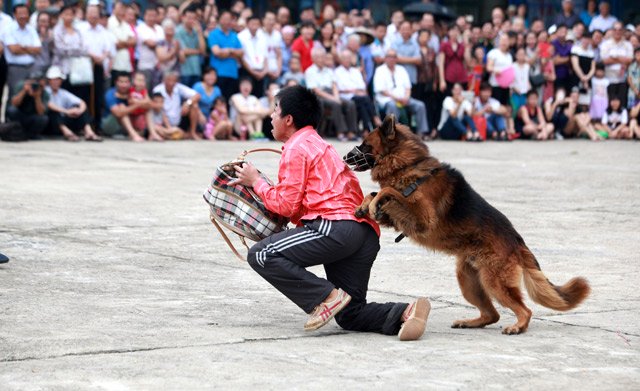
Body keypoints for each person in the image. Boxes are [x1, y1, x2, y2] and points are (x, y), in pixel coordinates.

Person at [230, 85, 430, 341]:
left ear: (288, 119)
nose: (271, 116)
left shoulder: (295, 147)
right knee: (350, 314)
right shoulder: (320, 145)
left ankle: (326, 298)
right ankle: (406, 312)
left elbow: (286, 205)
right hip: (364, 233)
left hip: (334, 228)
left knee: (261, 253)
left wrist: (256, 181)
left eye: (275, 110)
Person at [305, 46, 358, 141]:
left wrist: (336, 96)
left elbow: (334, 85)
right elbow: (316, 90)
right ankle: (340, 132)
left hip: (331, 93)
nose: (321, 59)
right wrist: (333, 98)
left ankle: (351, 132)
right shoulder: (310, 71)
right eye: (318, 57)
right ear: (313, 59)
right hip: (318, 96)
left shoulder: (329, 71)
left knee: (350, 104)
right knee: (335, 104)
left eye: (323, 57)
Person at [373, 49, 428, 137]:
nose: (391, 59)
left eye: (394, 57)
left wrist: (406, 97)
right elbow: (382, 90)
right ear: (385, 58)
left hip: (404, 98)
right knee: (393, 105)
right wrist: (397, 98)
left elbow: (408, 87)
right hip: (387, 99)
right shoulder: (380, 70)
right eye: (389, 56)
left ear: (396, 58)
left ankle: (421, 133)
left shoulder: (401, 69)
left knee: (420, 105)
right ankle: (394, 134)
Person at [45, 65, 102, 142]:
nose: (55, 82)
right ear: (49, 80)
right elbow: (49, 105)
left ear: (61, 81)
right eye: (53, 79)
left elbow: (82, 102)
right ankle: (68, 134)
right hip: (52, 123)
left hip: (65, 119)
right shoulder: (45, 91)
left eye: (57, 79)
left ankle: (89, 132)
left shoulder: (63, 92)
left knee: (79, 107)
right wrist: (66, 111)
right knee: (54, 113)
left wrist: (79, 111)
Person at [336, 49, 382, 137]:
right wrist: (355, 91)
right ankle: (375, 118)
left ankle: (366, 130)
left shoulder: (355, 71)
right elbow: (340, 89)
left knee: (362, 105)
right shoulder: (337, 72)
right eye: (345, 58)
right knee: (365, 99)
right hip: (346, 97)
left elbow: (362, 87)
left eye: (349, 58)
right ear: (341, 59)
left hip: (359, 97)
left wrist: (356, 91)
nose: (347, 60)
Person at [102, 73, 159, 142]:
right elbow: (118, 113)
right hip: (110, 125)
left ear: (130, 83)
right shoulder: (110, 93)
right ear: (116, 83)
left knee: (147, 110)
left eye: (126, 82)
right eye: (121, 82)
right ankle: (134, 135)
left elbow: (150, 104)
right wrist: (138, 103)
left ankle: (152, 133)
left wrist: (137, 102)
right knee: (122, 109)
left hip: (126, 126)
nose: (124, 85)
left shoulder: (133, 91)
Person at [3, 2, 42, 97]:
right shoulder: (8, 29)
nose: (23, 16)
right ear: (14, 15)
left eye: (25, 13)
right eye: (20, 13)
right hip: (16, 69)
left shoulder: (31, 29)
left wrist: (22, 47)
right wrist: (30, 49)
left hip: (32, 67)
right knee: (15, 95)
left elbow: (38, 50)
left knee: (33, 95)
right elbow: (14, 50)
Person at [152, 71, 202, 139]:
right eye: (169, 80)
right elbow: (157, 109)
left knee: (194, 106)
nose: (171, 83)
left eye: (174, 81)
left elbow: (197, 95)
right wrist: (168, 127)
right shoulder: (157, 90)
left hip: (178, 120)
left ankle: (192, 133)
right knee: (159, 127)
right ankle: (180, 134)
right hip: (163, 122)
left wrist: (187, 103)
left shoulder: (178, 87)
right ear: (164, 80)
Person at [208, 9, 243, 100]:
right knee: (218, 100)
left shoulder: (234, 35)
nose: (227, 21)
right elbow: (216, 52)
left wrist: (228, 50)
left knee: (230, 100)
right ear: (220, 20)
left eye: (229, 19)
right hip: (218, 73)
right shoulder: (214, 34)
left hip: (232, 73)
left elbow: (241, 52)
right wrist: (233, 53)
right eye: (225, 19)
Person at [6, 70, 49, 139]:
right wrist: (24, 91)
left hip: (32, 117)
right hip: (20, 115)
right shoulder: (22, 86)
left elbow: (41, 112)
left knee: (43, 118)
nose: (36, 84)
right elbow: (14, 103)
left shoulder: (44, 92)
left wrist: (37, 97)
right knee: (12, 110)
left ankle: (31, 134)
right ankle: (15, 130)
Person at [601, 22, 633, 108]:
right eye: (615, 29)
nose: (617, 32)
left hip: (623, 80)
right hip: (609, 80)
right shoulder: (606, 44)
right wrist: (622, 59)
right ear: (612, 31)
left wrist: (614, 57)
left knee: (622, 106)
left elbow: (629, 60)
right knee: (609, 106)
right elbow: (604, 60)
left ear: (623, 31)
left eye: (619, 29)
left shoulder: (628, 44)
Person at [238, 15, 268, 98]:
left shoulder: (263, 36)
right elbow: (241, 58)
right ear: (247, 24)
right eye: (252, 23)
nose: (255, 26)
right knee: (246, 96)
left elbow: (265, 56)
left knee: (259, 97)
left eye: (257, 24)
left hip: (261, 72)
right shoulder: (241, 36)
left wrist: (264, 71)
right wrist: (252, 71)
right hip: (246, 71)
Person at [176, 5, 206, 88]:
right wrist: (198, 51)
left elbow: (203, 51)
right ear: (183, 17)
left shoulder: (197, 31)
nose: (191, 21)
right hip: (184, 71)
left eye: (194, 18)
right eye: (189, 18)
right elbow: (184, 50)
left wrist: (200, 33)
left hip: (196, 70)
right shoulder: (178, 31)